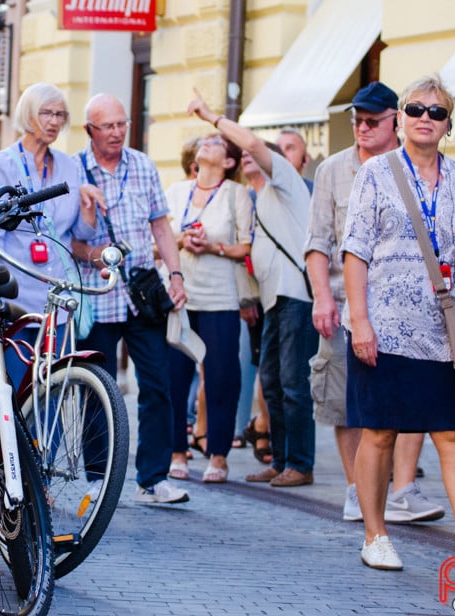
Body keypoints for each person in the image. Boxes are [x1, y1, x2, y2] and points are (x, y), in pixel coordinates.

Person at [343, 74, 455, 571]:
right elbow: (356, 250)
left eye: (437, 112)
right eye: (415, 109)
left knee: (454, 433)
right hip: (383, 328)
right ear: (400, 118)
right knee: (381, 432)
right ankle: (375, 535)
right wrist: (360, 322)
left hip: (442, 333)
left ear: (449, 123)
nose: (425, 119)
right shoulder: (376, 173)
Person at [304, 81, 444, 524]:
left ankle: (402, 487)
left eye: (371, 121)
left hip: (406, 305)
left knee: (406, 400)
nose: (361, 128)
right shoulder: (332, 169)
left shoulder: (409, 168)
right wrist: (322, 297)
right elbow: (317, 242)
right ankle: (354, 487)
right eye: (356, 121)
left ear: (393, 122)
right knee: (347, 401)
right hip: (346, 303)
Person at [188, 89, 317, 489]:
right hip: (273, 299)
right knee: (274, 384)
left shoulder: (285, 182)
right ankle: (280, 459)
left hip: (295, 295)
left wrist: (212, 117)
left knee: (293, 384)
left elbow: (253, 143)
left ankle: (301, 462)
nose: (246, 154)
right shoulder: (257, 198)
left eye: (250, 152)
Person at [71, 92, 188, 504]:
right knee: (97, 389)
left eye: (122, 124)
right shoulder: (74, 170)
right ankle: (97, 477)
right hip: (98, 293)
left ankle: (153, 478)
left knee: (158, 384)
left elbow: (161, 227)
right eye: (108, 126)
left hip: (142, 293)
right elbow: (66, 239)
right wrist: (94, 254)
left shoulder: (142, 164)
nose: (117, 132)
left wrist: (175, 274)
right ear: (90, 130)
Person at [0, 82, 97, 384]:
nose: (55, 121)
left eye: (60, 114)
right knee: (18, 388)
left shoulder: (69, 166)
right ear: (28, 114)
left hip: (56, 296)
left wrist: (88, 210)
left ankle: (48, 436)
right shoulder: (1, 165)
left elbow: (78, 233)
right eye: (46, 113)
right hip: (16, 296)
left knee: (53, 389)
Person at [166, 127, 252, 484]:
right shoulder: (176, 192)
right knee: (174, 377)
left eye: (216, 142)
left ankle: (218, 455)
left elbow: (245, 246)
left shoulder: (237, 194)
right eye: (205, 140)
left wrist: (212, 247)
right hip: (179, 299)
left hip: (220, 298)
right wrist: (182, 240)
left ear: (229, 160)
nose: (206, 142)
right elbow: (158, 242)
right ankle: (176, 451)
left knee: (221, 378)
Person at [276, 127, 313, 193]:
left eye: (290, 148)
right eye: (277, 148)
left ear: (305, 160)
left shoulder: (317, 194)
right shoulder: (257, 196)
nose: (282, 153)